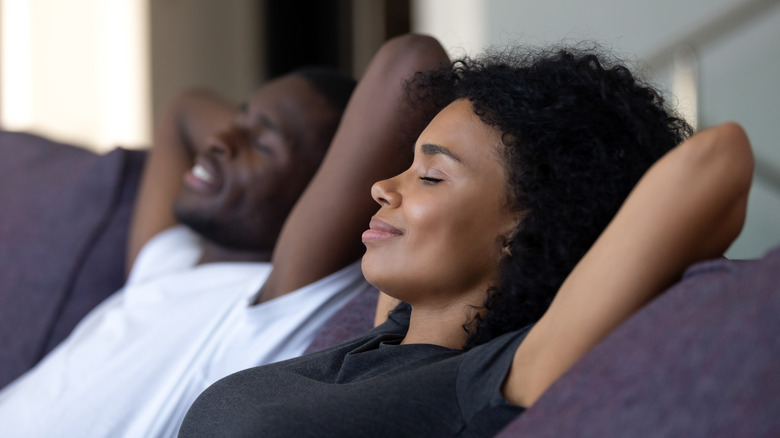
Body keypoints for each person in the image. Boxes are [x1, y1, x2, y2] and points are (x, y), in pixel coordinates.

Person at [177, 38, 754, 437]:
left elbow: (717, 160)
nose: (381, 186)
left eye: (431, 175)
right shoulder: (390, 331)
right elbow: (405, 72)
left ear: (524, 227)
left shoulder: (486, 378)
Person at [0, 65, 389, 437]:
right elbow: (182, 110)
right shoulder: (167, 263)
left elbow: (406, 62)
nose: (218, 140)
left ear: (322, 194)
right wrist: (255, 132)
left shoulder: (267, 306)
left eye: (261, 143)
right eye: (238, 118)